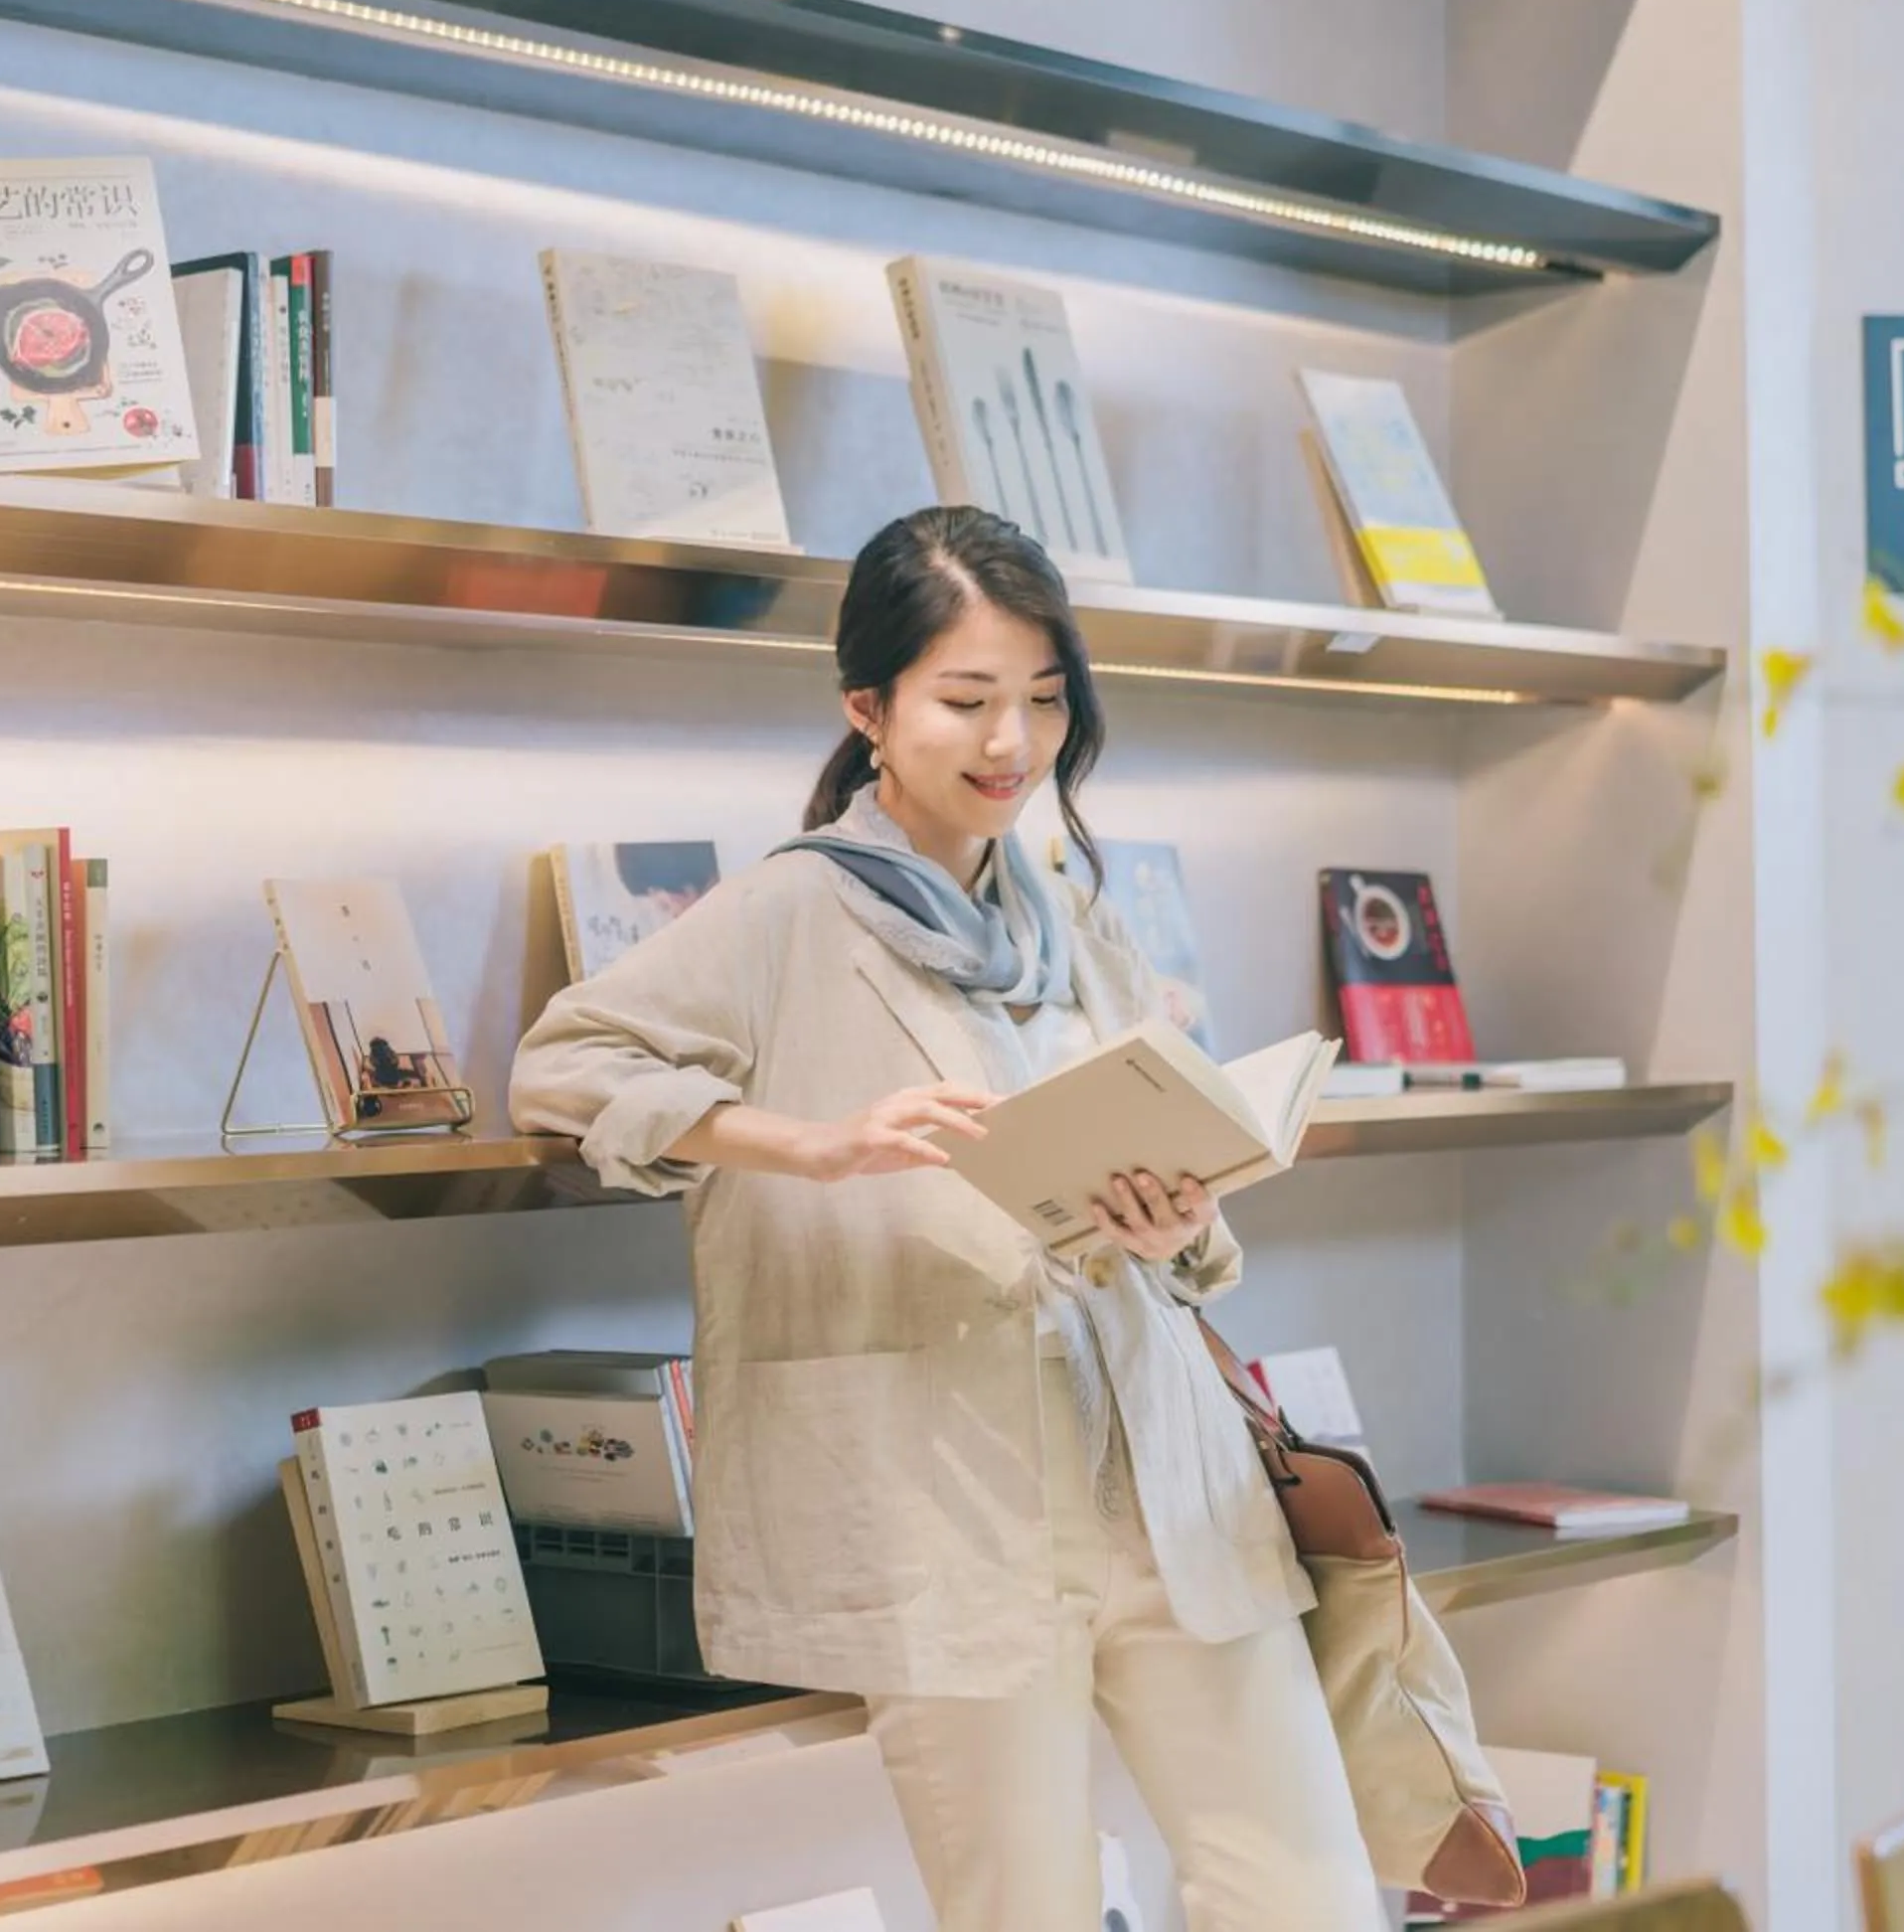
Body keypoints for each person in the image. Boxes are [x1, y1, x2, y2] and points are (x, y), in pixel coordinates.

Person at [512, 507, 1382, 1931]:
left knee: (1312, 1896)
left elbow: (1193, 1237)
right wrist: (810, 1142)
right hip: (949, 1510)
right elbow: (565, 1064)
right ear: (869, 708)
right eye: (968, 700)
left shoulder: (1068, 925)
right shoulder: (790, 913)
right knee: (1020, 1911)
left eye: (1044, 700)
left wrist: (1177, 1223)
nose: (1013, 743)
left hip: (1161, 1484)